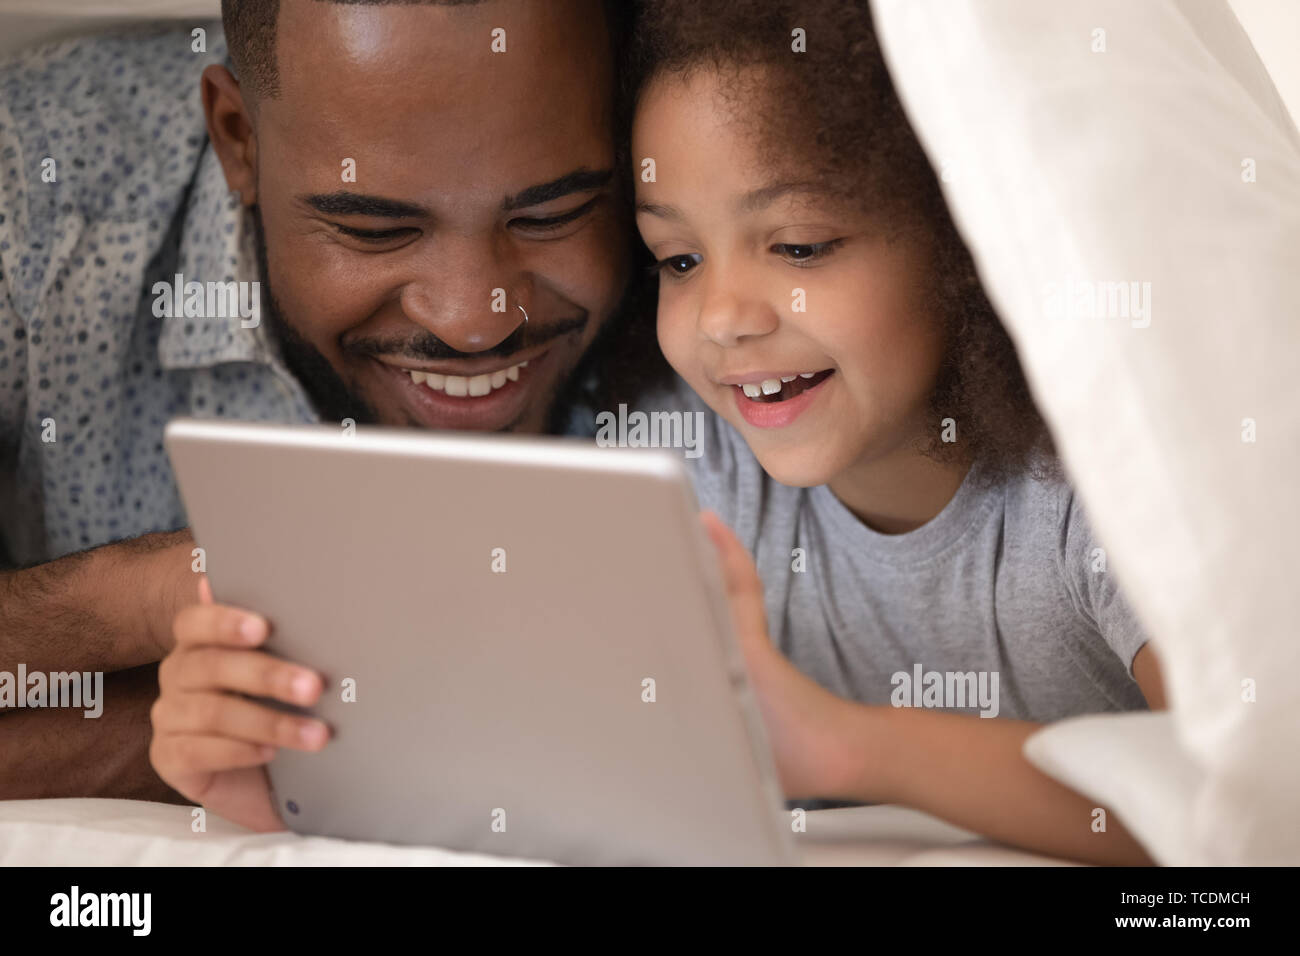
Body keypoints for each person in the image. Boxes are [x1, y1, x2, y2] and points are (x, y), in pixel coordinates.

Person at [0, 0, 649, 801]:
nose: (475, 321)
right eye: (377, 231)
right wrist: (169, 599)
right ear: (240, 141)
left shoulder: (727, 233)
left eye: (553, 214)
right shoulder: (33, 194)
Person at [628, 0, 1166, 865]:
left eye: (800, 246)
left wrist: (842, 745)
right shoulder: (681, 468)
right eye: (678, 260)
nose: (722, 317)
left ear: (969, 239)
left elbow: (1241, 803)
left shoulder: (1105, 491)